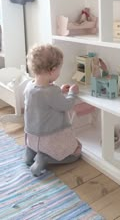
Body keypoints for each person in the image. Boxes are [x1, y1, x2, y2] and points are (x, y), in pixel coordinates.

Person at [24, 44, 82, 176]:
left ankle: (29, 154)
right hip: (49, 137)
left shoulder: (30, 86)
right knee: (76, 153)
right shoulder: (51, 91)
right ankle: (44, 158)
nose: (59, 72)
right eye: (59, 69)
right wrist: (72, 93)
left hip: (32, 136)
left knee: (33, 147)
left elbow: (44, 103)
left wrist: (60, 91)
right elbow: (66, 105)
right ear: (52, 70)